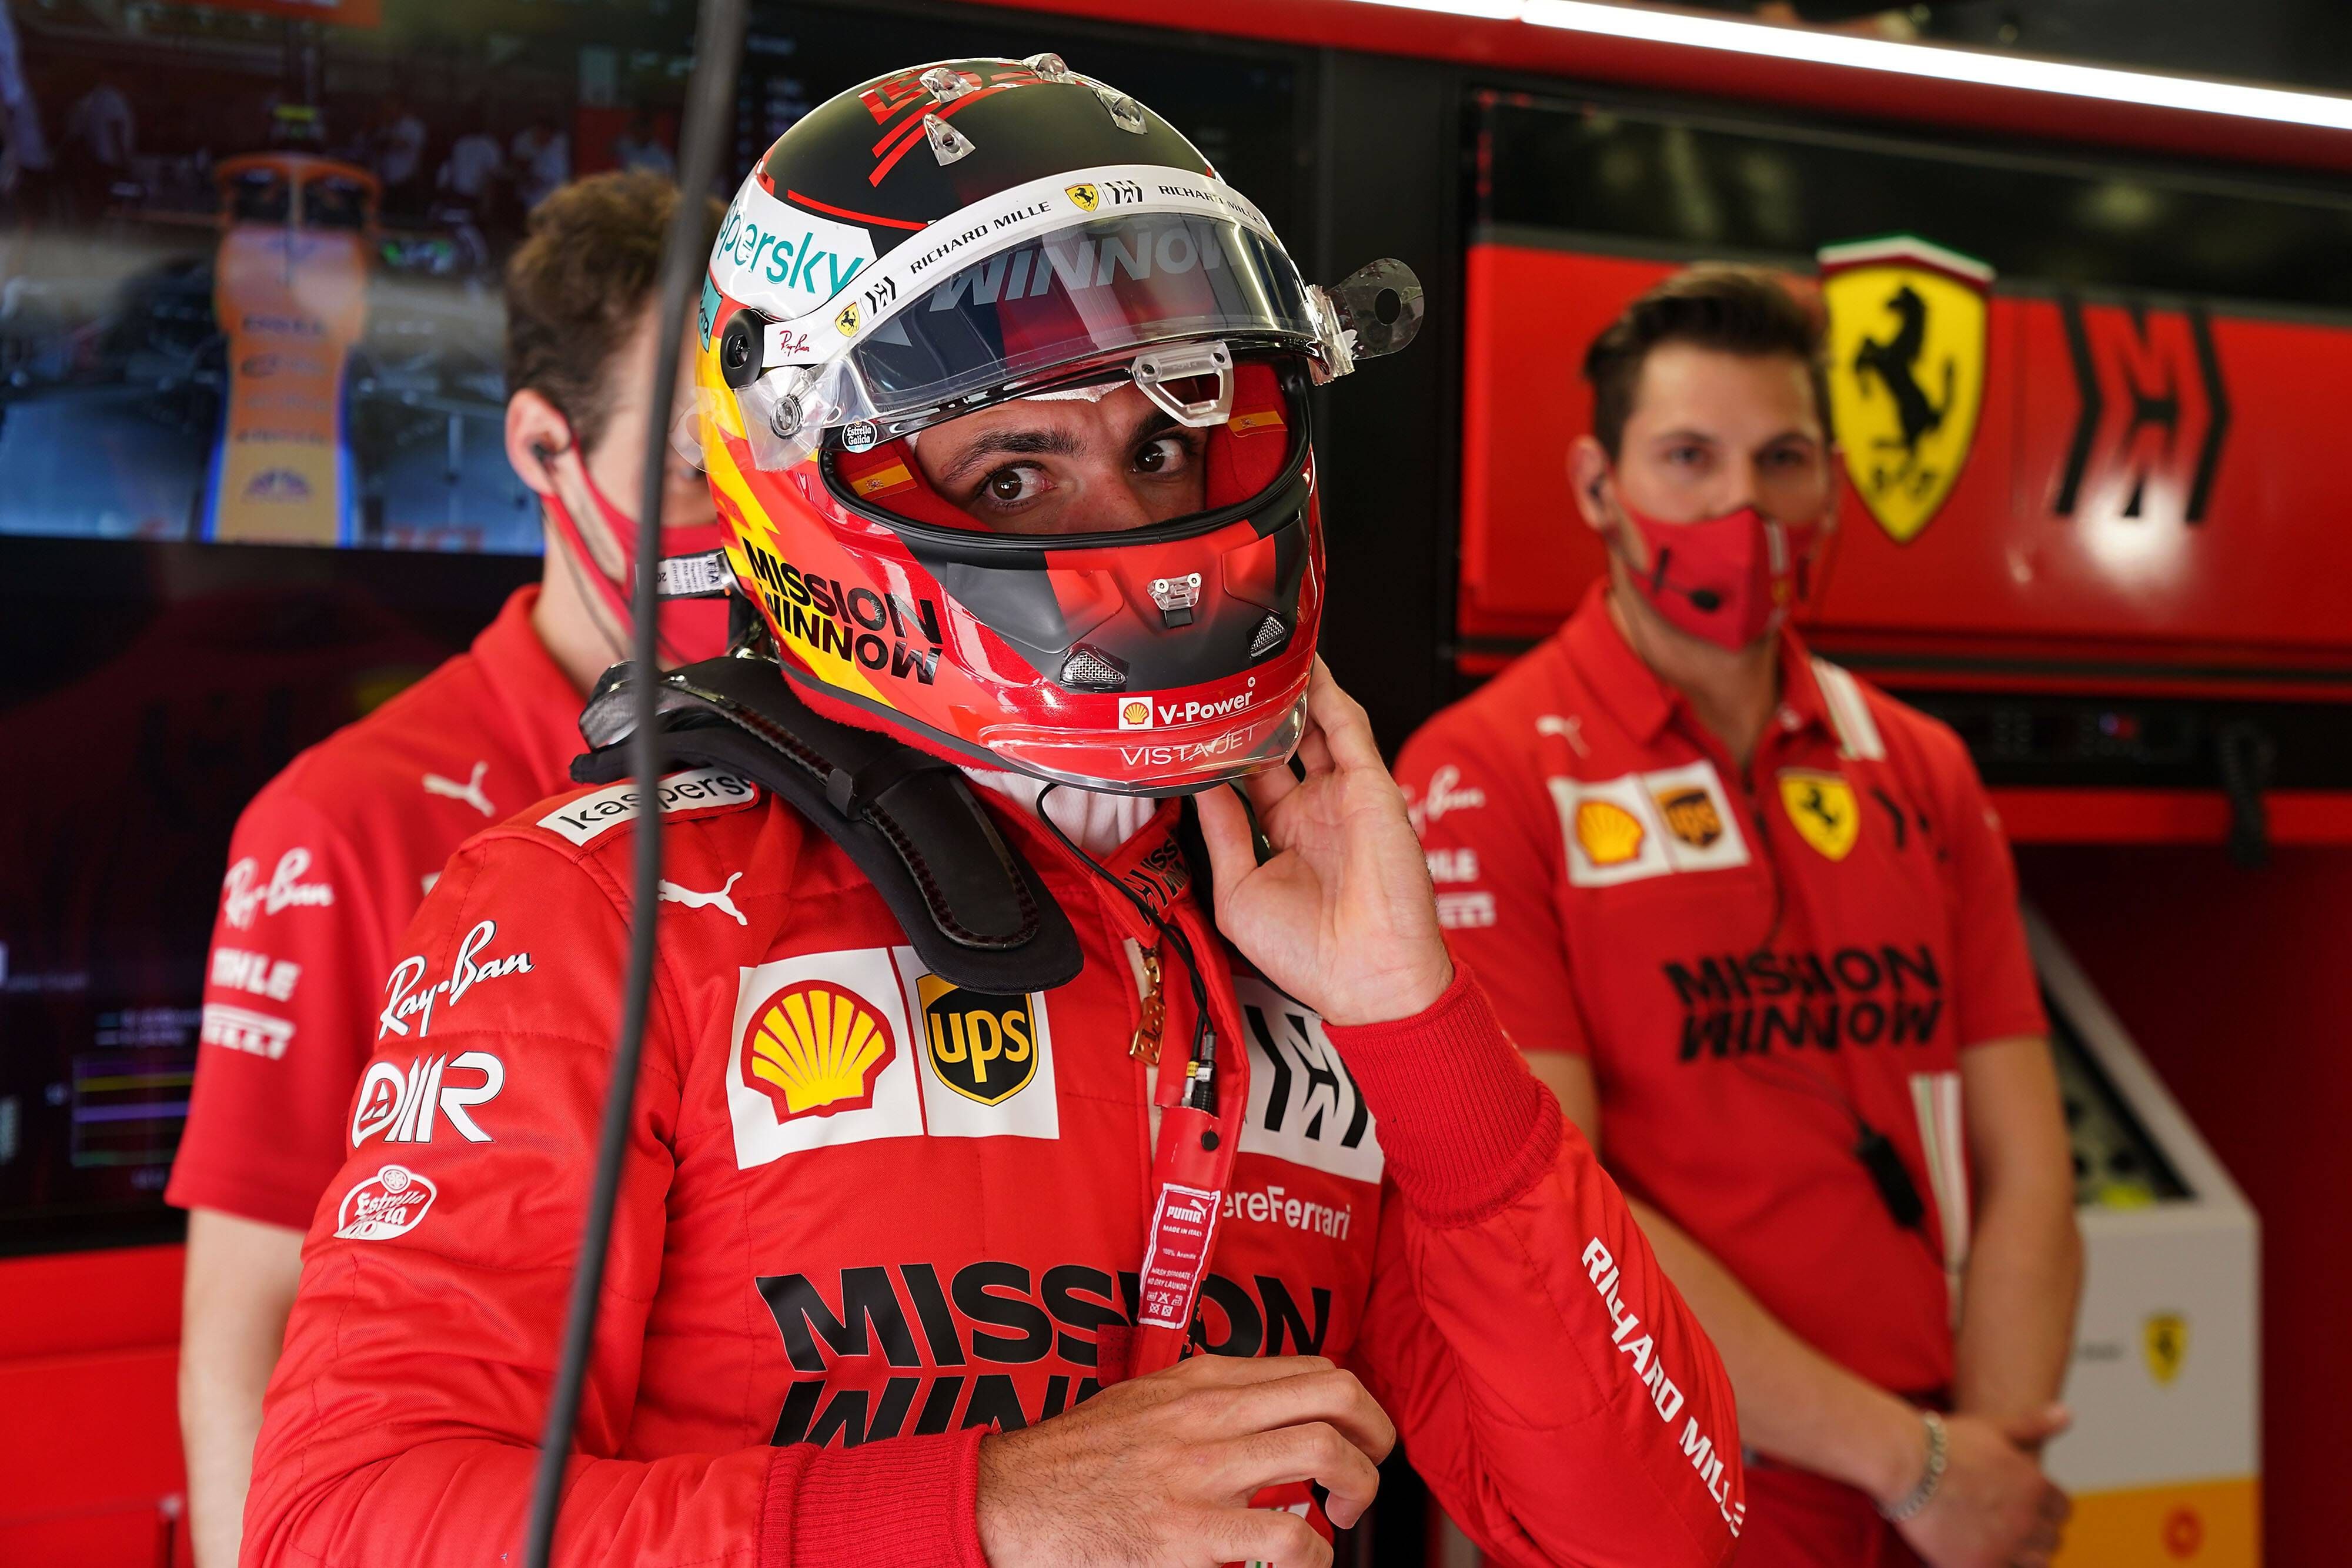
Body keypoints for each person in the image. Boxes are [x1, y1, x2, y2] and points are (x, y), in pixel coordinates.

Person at [241, 57, 1748, 1568]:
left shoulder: (1309, 922)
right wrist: (987, 1510)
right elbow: (337, 1527)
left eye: (1162, 446)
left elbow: (1658, 1533)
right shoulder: (601, 907)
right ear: (809, 489)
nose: (1139, 537)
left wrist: (1414, 1017)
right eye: (1014, 470)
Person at [1397, 266, 2082, 1567]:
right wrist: (1912, 1460)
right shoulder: (1481, 772)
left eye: (1779, 459)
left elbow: (2026, 1161)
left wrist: (1981, 1461)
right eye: (1687, 456)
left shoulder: (1918, 766)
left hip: (1936, 1499)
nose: (1738, 507)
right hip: (1671, 1493)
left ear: (1830, 483)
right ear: (1598, 484)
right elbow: (1552, 1207)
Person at [166, 170, 724, 1568]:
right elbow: (249, 1342)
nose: (740, 521)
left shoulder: (883, 777)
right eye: (686, 468)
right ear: (543, 447)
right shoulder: (344, 819)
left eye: (773, 462)